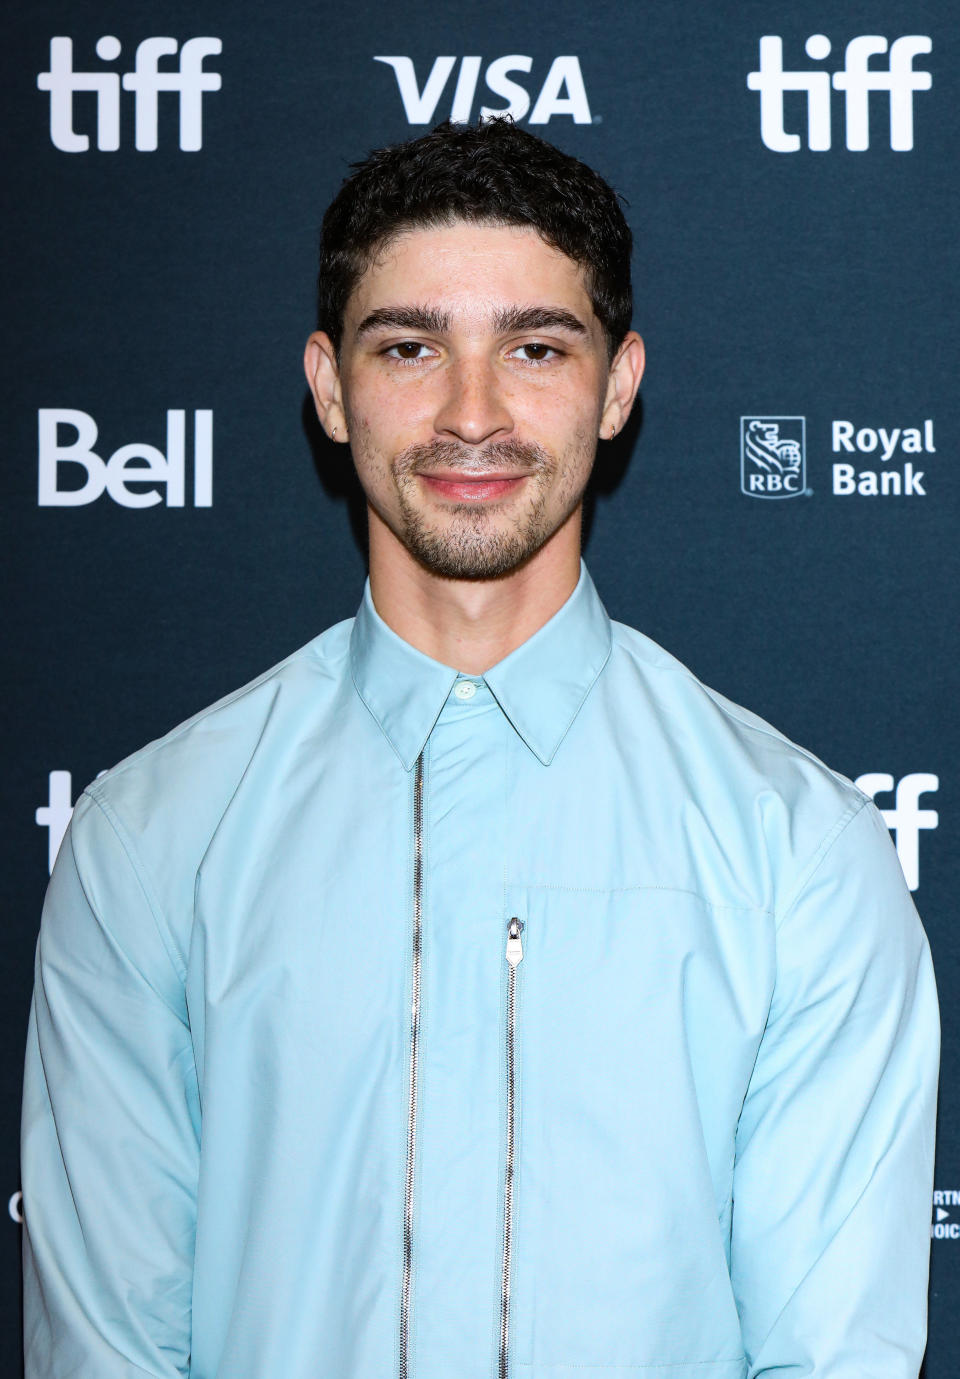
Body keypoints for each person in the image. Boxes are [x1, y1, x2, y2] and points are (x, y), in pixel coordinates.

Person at [21, 118, 938, 1379]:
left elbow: (836, 1357)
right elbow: (109, 1348)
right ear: (330, 386)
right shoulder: (149, 837)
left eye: (534, 346)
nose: (472, 411)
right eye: (410, 346)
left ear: (616, 385)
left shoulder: (800, 850)